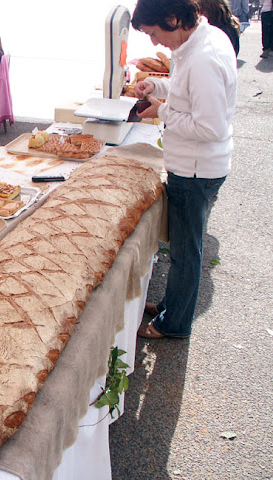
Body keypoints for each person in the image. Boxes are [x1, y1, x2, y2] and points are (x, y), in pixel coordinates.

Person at [132, 0, 237, 339]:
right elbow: (185, 91)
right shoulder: (199, 41)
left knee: (185, 253)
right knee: (182, 248)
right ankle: (171, 306)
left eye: (153, 33)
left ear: (173, 19)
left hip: (196, 172)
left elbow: (210, 128)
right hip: (196, 166)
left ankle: (173, 324)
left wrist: (161, 111)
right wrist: (157, 87)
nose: (154, 42)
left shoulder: (204, 58)